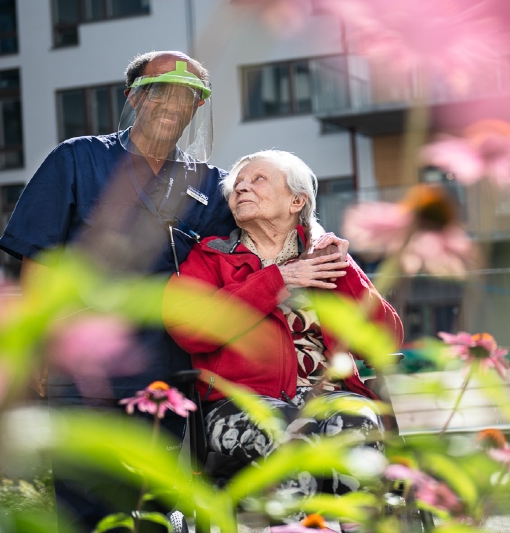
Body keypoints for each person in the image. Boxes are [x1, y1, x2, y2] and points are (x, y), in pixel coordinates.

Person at [0, 50, 235, 530]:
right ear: (133, 98)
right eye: (158, 91)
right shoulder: (76, 159)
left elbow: (254, 248)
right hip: (83, 368)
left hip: (168, 375)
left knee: (155, 508)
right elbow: (39, 256)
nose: (172, 103)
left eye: (187, 96)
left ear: (196, 109)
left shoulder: (211, 184)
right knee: (84, 502)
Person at [162, 149, 404, 505]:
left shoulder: (327, 259)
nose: (242, 188)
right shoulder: (211, 257)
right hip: (242, 403)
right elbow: (188, 327)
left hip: (332, 396)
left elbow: (383, 341)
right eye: (237, 185)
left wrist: (346, 271)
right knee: (286, 433)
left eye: (258, 179)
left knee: (356, 427)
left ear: (296, 200)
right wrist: (278, 280)